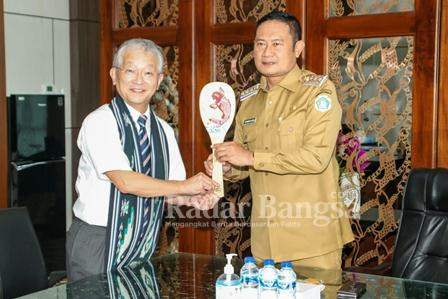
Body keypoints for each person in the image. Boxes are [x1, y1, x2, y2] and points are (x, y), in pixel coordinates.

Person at [205, 11, 354, 271]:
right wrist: (228, 167)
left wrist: (250, 157)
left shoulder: (318, 92)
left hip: (312, 240)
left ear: (298, 49)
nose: (267, 52)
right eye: (260, 44)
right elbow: (244, 164)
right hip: (265, 244)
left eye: (277, 43)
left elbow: (316, 158)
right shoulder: (249, 101)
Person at [67, 38, 219, 282]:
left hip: (144, 240)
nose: (139, 81)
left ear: (159, 81)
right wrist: (184, 187)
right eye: (130, 71)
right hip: (99, 240)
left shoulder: (164, 131)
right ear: (114, 75)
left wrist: (192, 199)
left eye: (148, 73)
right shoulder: (100, 122)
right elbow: (126, 182)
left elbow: (167, 190)